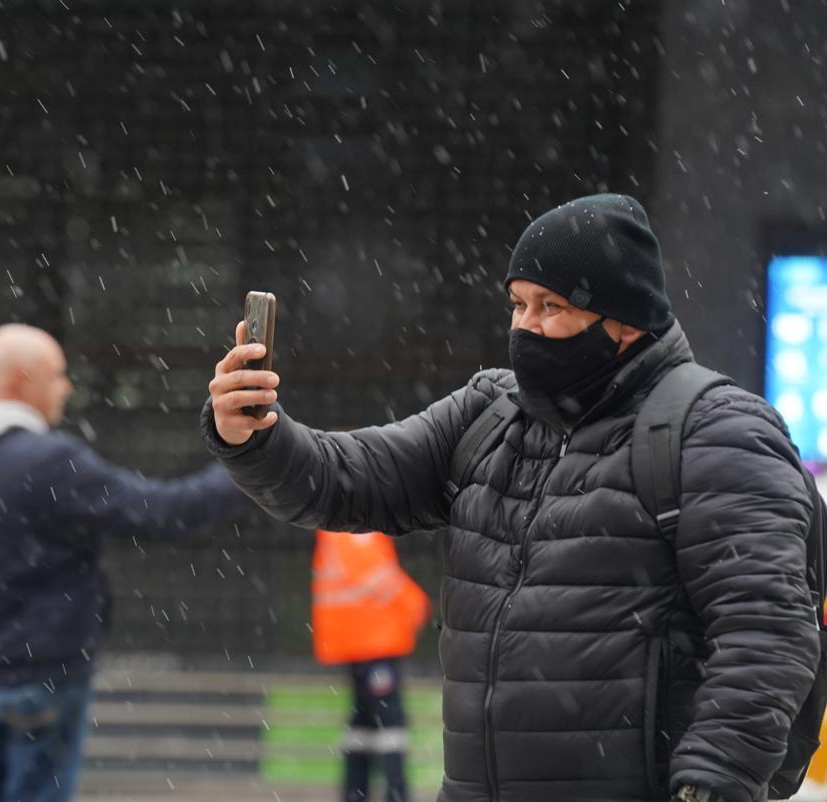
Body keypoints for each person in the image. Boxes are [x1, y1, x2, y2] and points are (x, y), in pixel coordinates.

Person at [203, 193, 821, 802]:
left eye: (549, 307)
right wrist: (256, 434)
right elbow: (349, 478)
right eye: (517, 304)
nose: (525, 327)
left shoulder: (719, 431)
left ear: (625, 321)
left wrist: (710, 789)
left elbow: (767, 636)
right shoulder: (490, 415)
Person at [0, 323, 244, 802]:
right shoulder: (46, 461)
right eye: (58, 374)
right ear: (23, 380)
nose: (66, 387)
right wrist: (247, 465)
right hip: (45, 673)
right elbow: (164, 513)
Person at [312, 527, 430, 802]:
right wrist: (414, 603)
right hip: (373, 639)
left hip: (362, 640)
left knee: (362, 725)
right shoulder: (356, 519)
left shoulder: (339, 514)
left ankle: (356, 792)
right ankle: (394, 794)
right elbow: (371, 571)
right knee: (390, 723)